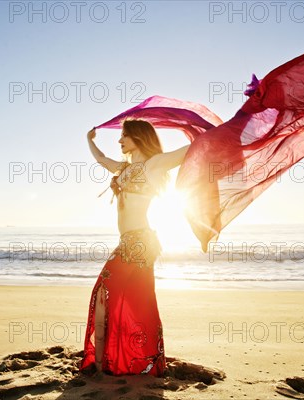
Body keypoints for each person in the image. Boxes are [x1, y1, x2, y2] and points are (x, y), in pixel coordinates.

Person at [79, 118, 189, 377]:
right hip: (126, 241)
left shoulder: (154, 165)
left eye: (124, 136)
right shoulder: (124, 168)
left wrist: (215, 133)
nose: (120, 141)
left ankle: (106, 365)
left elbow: (187, 152)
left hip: (139, 242)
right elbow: (101, 159)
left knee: (108, 292)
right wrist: (89, 139)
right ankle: (111, 362)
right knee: (127, 299)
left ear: (138, 137)